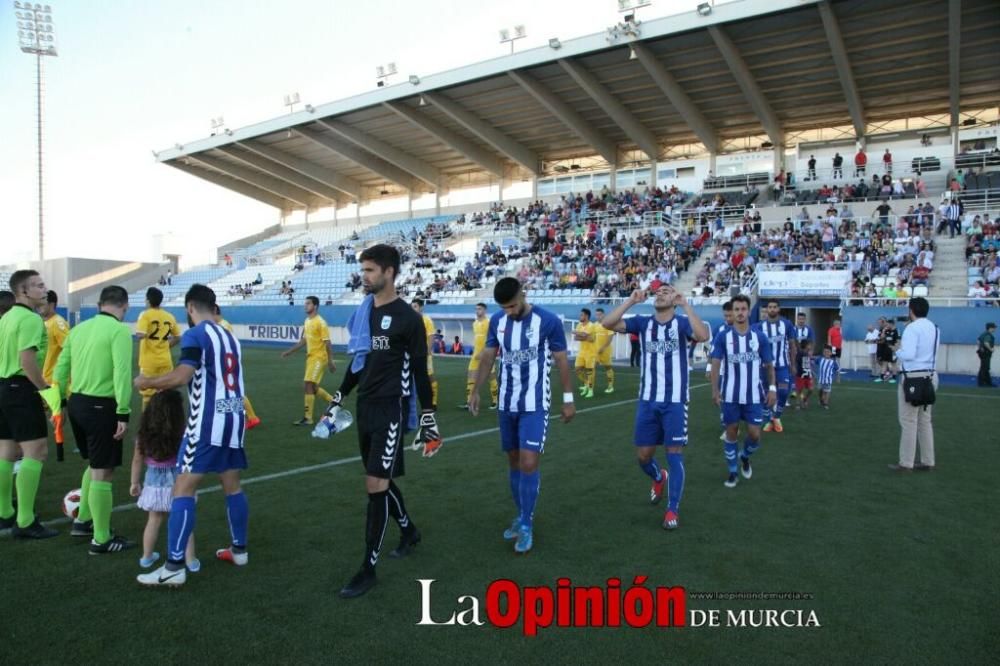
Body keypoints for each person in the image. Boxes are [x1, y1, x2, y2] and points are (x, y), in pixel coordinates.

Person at [322, 244, 438, 598]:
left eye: (370, 270)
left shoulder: (408, 318)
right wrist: (337, 399)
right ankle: (409, 530)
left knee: (374, 486)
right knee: (380, 482)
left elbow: (420, 373)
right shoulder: (363, 313)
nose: (364, 276)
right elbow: (359, 365)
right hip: (365, 408)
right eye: (363, 270)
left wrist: (428, 418)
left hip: (391, 409)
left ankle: (367, 569)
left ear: (389, 272)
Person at [135, 284, 250, 587]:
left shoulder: (195, 334)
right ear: (214, 307)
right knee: (233, 486)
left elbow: (181, 376)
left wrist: (147, 381)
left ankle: (173, 566)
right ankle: (239, 550)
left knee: (182, 490)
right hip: (235, 417)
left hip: (207, 421)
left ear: (189, 308)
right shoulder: (230, 336)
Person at [468, 277, 575, 554]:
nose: (510, 312)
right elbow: (488, 356)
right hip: (506, 403)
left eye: (513, 305)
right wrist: (476, 390)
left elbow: (562, 359)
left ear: (523, 294)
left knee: (529, 462)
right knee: (514, 461)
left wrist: (568, 399)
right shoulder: (498, 322)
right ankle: (521, 514)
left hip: (535, 403)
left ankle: (526, 524)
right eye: (504, 307)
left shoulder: (548, 321)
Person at [601, 286, 708, 530]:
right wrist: (630, 301)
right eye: (658, 292)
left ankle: (672, 509)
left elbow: (702, 336)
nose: (660, 294)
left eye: (667, 292)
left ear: (674, 298)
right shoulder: (642, 323)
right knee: (643, 456)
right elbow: (607, 324)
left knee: (674, 454)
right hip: (648, 401)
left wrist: (686, 305)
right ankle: (659, 477)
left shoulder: (681, 323)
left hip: (675, 401)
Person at [55, 285, 135, 553]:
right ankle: (101, 539)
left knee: (95, 463)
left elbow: (61, 369)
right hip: (102, 406)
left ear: (100, 304)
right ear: (124, 305)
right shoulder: (119, 331)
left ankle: (83, 520)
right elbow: (122, 373)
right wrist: (123, 411)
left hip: (77, 402)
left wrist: (62, 403)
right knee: (103, 471)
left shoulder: (77, 330)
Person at [0, 270, 57, 538]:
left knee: (7, 452)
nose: (44, 288)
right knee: (36, 452)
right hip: (20, 389)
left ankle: (4, 513)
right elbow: (27, 362)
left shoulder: (7, 317)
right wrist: (44, 390)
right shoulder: (31, 320)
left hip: (2, 387)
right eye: (38, 285)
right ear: (23, 291)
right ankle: (25, 521)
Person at [710, 295, 777, 489]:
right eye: (736, 309)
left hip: (754, 396)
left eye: (743, 309)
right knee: (731, 433)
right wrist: (715, 390)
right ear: (732, 312)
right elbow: (715, 364)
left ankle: (745, 456)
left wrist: (772, 388)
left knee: (755, 435)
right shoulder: (724, 336)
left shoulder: (759, 337)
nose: (739, 313)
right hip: (730, 395)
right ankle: (732, 472)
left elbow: (769, 365)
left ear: (749, 311)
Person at [129, 390, 199, 571]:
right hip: (179, 482)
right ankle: (190, 560)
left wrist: (134, 482)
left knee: (154, 519)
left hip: (153, 481)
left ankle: (146, 557)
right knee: (185, 521)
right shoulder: (183, 433)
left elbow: (137, 460)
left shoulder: (143, 435)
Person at [890, 297, 939, 472]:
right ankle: (928, 460)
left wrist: (898, 351)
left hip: (913, 377)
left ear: (911, 310)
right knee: (925, 421)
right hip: (930, 376)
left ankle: (906, 462)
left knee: (909, 420)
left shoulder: (911, 328)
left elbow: (909, 354)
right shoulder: (934, 327)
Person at [282, 296, 337, 426]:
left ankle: (308, 418)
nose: (305, 306)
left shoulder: (321, 322)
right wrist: (289, 351)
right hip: (311, 357)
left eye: (308, 303)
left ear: (315, 306)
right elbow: (304, 340)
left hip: (319, 358)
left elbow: (327, 343)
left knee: (307, 385)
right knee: (312, 387)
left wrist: (331, 361)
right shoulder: (307, 321)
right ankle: (334, 402)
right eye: (305, 303)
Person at [214, 306, 261, 429]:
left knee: (233, 391)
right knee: (230, 391)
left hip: (226, 362)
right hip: (228, 361)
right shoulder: (223, 324)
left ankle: (252, 417)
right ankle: (246, 417)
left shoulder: (222, 325)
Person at [755, 299, 797, 433]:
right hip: (764, 368)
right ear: (767, 309)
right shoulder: (759, 326)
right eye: (770, 307)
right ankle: (768, 420)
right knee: (764, 394)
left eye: (774, 307)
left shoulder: (787, 324)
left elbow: (792, 345)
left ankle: (777, 417)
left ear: (778, 309)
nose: (772, 309)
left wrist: (793, 363)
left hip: (782, 366)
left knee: (784, 391)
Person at [136, 287, 180, 410]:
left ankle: (147, 422)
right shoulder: (169, 316)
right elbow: (177, 337)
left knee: (147, 394)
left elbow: (140, 335)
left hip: (149, 361)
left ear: (148, 300)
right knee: (165, 392)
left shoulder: (145, 315)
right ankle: (166, 422)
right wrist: (165, 345)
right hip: (165, 360)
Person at [40, 290, 70, 460]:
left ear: (52, 304)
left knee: (56, 419)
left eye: (43, 303)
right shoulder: (43, 322)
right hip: (40, 379)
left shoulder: (58, 323)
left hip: (52, 382)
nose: (39, 307)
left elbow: (69, 348)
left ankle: (52, 449)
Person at [460, 303, 498, 410]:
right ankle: (469, 402)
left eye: (480, 309)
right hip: (475, 355)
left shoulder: (489, 323)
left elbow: (492, 340)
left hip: (486, 355)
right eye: (476, 309)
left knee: (491, 377)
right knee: (470, 376)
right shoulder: (475, 323)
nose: (477, 311)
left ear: (485, 310)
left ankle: (495, 401)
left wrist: (484, 352)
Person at [410, 298, 439, 409]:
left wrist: (428, 352)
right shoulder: (411, 320)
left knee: (429, 376)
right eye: (412, 307)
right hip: (413, 354)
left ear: (421, 307)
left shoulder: (426, 319)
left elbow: (431, 336)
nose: (413, 309)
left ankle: (433, 401)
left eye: (415, 306)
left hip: (423, 354)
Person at [573, 308, 599, 398]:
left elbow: (584, 336)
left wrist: (578, 333)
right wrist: (583, 336)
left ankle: (590, 390)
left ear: (586, 316)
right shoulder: (579, 325)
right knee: (577, 369)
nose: (580, 316)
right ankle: (586, 384)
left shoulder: (591, 325)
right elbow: (576, 338)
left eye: (582, 315)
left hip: (591, 352)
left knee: (589, 372)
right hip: (581, 352)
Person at [593, 307, 616, 394]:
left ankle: (610, 386)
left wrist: (603, 348)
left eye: (599, 314)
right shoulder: (594, 325)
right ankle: (590, 386)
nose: (598, 316)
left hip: (605, 350)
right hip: (596, 351)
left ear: (603, 315)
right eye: (596, 315)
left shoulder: (608, 324)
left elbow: (610, 338)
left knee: (608, 368)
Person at [817, 344, 840, 409]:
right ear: (823, 352)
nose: (826, 353)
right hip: (820, 379)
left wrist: (838, 377)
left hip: (828, 380)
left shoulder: (833, 362)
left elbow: (838, 369)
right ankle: (821, 399)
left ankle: (825, 403)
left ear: (831, 353)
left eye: (828, 352)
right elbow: (813, 361)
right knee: (820, 390)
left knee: (827, 391)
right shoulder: (820, 359)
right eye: (825, 352)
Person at [793, 341, 814, 409]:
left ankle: (805, 399)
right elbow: (797, 361)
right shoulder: (800, 353)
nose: (810, 347)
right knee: (799, 389)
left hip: (807, 374)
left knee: (811, 389)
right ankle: (798, 403)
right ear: (805, 346)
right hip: (800, 374)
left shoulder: (808, 353)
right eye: (809, 345)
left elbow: (808, 364)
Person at [976, 322, 996, 387]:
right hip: (986, 353)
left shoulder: (983, 334)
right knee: (985, 368)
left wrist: (980, 348)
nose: (994, 329)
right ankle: (982, 383)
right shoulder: (988, 335)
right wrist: (991, 349)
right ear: (990, 328)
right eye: (993, 328)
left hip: (982, 353)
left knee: (984, 367)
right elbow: (986, 343)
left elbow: (978, 341)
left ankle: (987, 382)